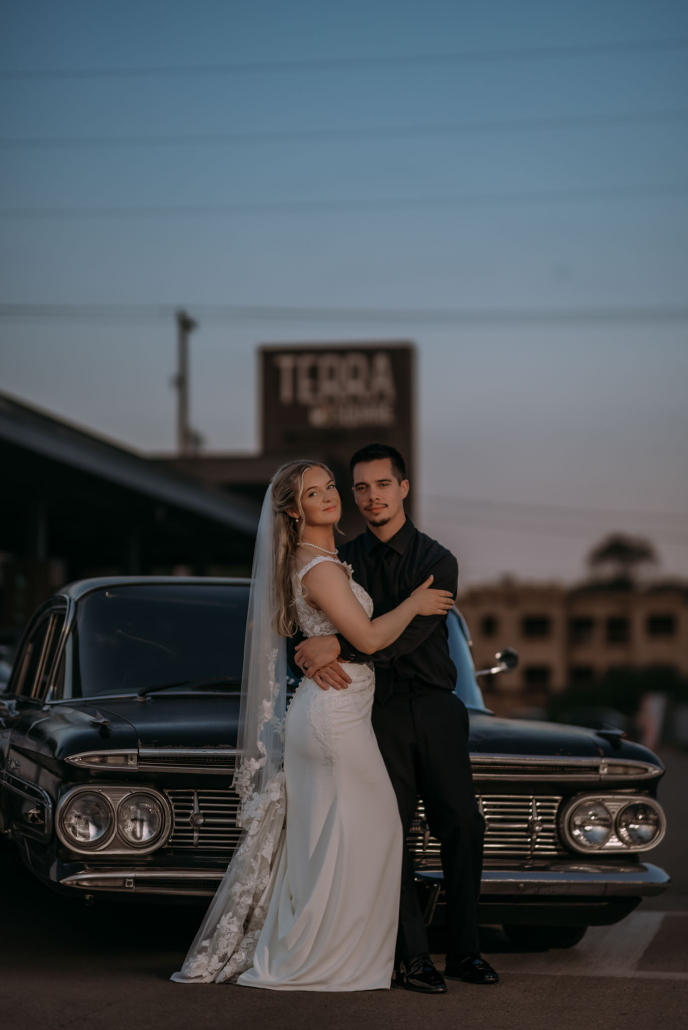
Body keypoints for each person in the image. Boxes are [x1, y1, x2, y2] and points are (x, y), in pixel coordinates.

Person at [171, 459, 454, 990]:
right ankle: (326, 958)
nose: (328, 497)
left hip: (332, 715)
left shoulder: (323, 559)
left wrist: (330, 645)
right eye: (312, 493)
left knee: (332, 840)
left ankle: (323, 950)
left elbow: (344, 637)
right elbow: (369, 641)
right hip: (333, 722)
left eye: (329, 487)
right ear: (292, 510)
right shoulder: (319, 566)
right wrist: (414, 602)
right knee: (372, 831)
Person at [293, 444, 499, 991]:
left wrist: (337, 643)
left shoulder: (438, 561)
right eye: (360, 487)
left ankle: (465, 952)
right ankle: (411, 957)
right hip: (373, 710)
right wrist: (319, 642)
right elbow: (311, 612)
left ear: (403, 488)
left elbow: (405, 638)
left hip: (435, 705)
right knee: (391, 832)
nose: (370, 497)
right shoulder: (346, 558)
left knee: (463, 824)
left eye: (382, 484)